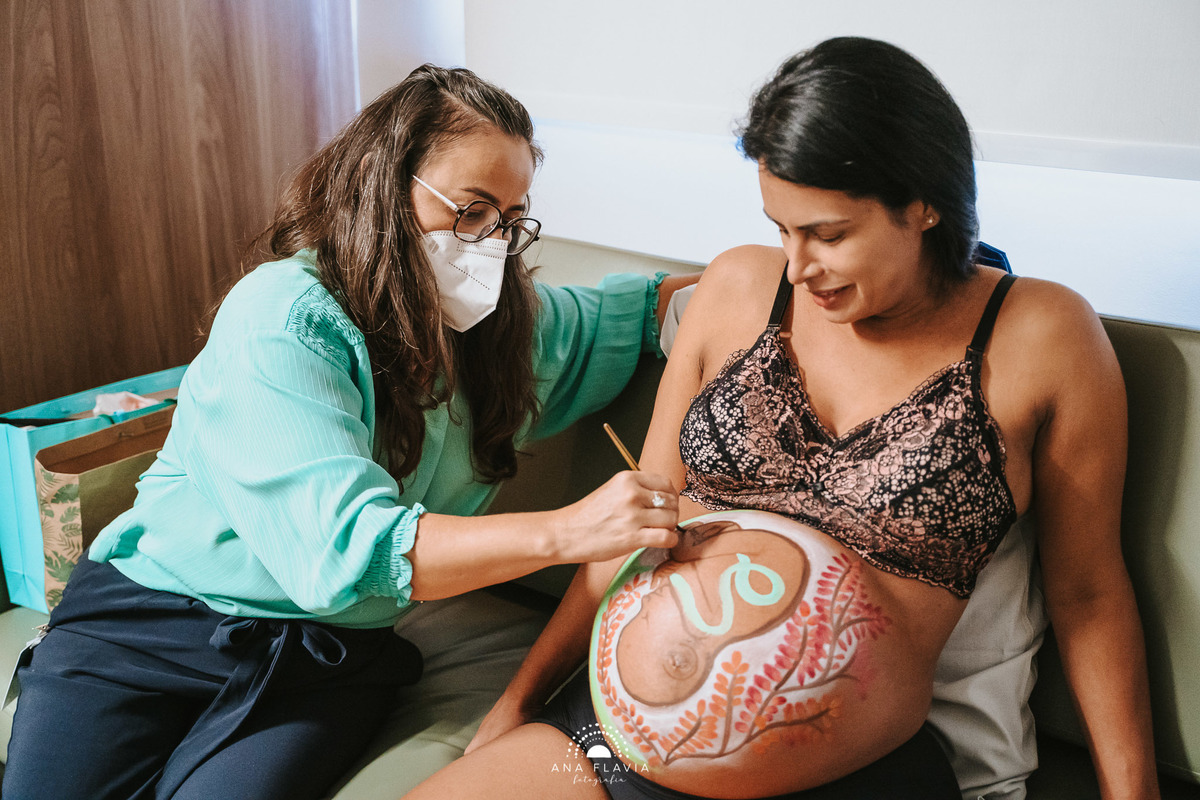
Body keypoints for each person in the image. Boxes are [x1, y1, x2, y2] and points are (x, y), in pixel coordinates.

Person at [401, 37, 1161, 800]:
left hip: (850, 774)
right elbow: (631, 527)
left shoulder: (1043, 337)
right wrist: (519, 702)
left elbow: (1088, 596)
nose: (799, 267)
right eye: (781, 228)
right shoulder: (738, 289)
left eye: (829, 234)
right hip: (608, 743)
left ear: (925, 203)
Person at [2, 65, 697, 800]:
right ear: (385, 189)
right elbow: (345, 551)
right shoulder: (285, 319)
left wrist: (767, 277)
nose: (491, 244)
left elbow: (640, 314)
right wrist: (568, 531)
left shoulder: (502, 332)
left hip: (322, 659)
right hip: (152, 623)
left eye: (510, 221)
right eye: (470, 212)